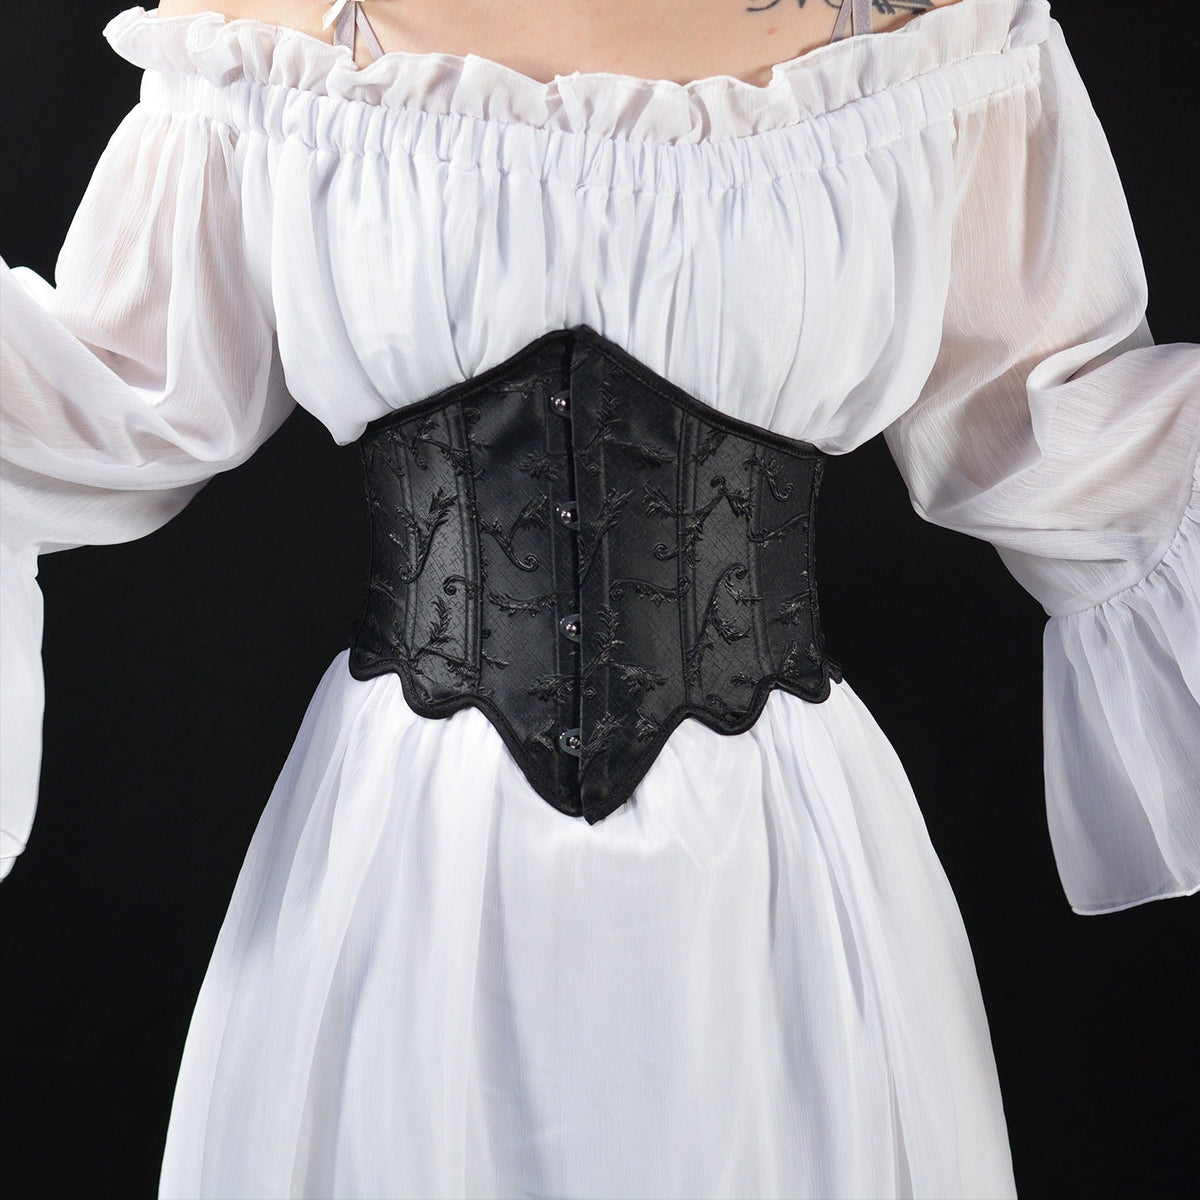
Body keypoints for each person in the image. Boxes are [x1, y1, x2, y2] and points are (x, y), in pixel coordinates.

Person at [1, 1, 1196, 1197]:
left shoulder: (918, 43)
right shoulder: (279, 44)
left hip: (773, 876)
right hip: (405, 873)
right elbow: (109, 401)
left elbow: (1069, 442)